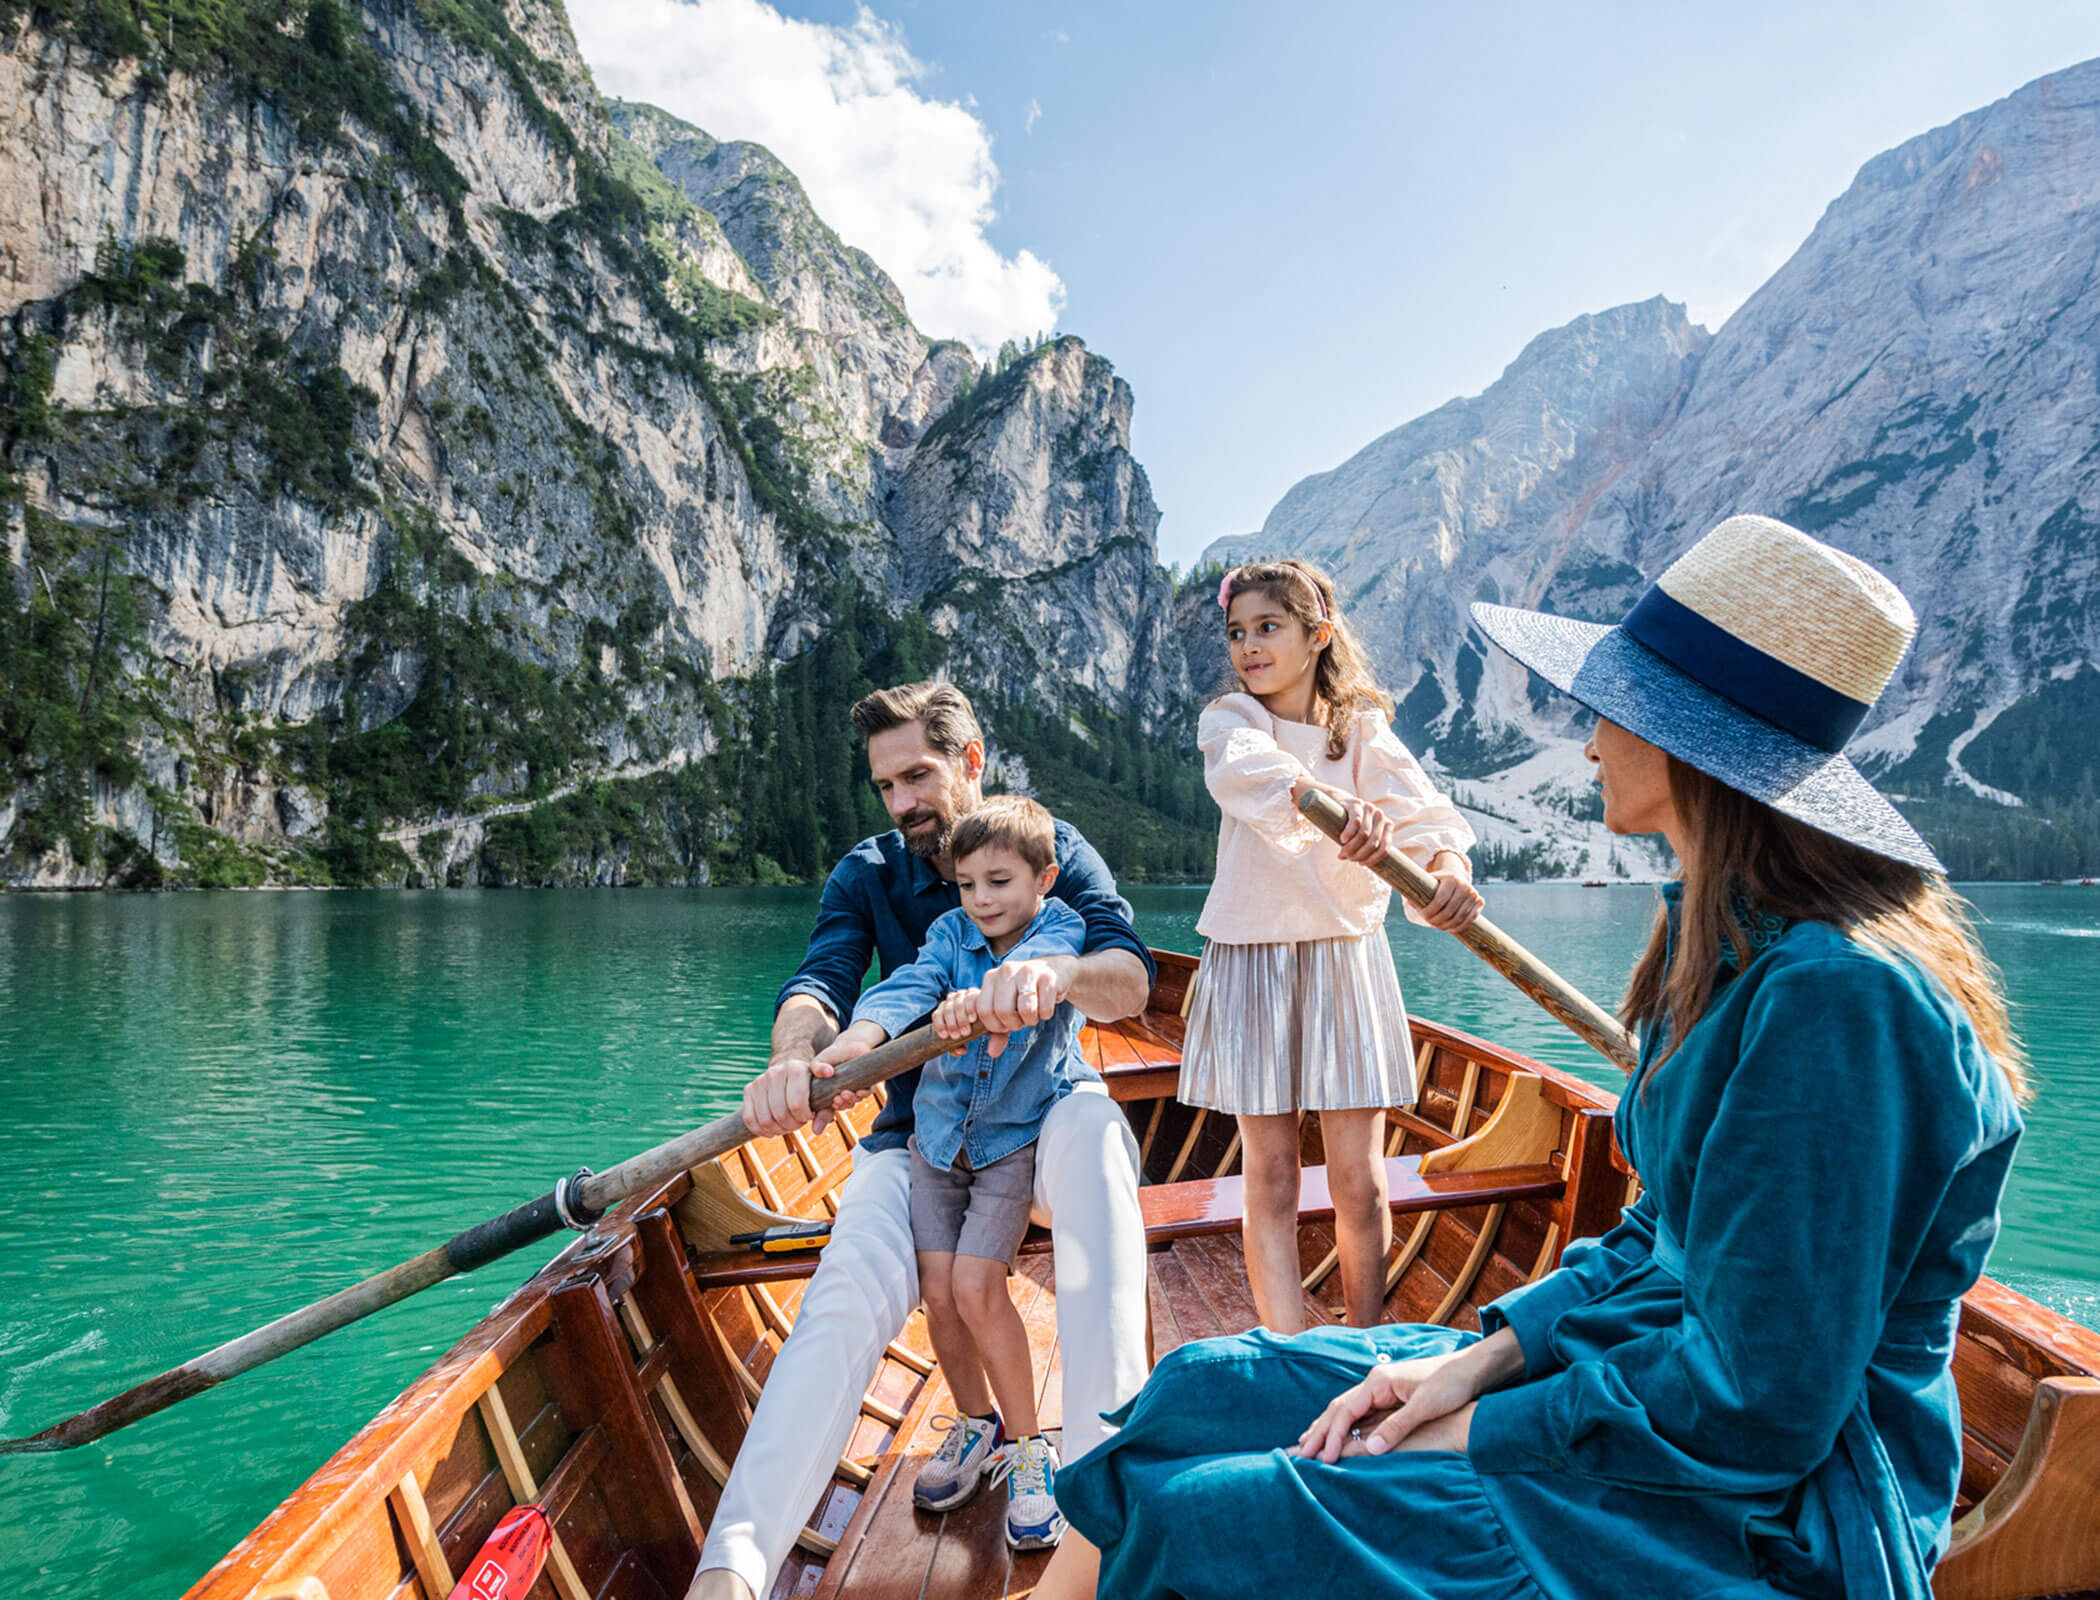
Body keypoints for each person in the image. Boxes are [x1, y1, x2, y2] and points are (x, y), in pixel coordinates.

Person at [1039, 514, 2028, 1600]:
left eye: (1616, 707)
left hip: (1757, 1512)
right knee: (1195, 1393)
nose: (1590, 734)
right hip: (1640, 1392)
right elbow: (1663, 1234)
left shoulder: (1842, 1004)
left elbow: (1759, 1408)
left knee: (1205, 1518)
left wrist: (1481, 1426)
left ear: (1692, 743)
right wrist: (1482, 1357)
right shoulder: (1722, 935)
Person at [691, 682, 1154, 1600]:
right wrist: (796, 1059)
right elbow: (824, 985)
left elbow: (1128, 982)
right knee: (846, 1286)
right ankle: (733, 1570)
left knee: (1103, 1157)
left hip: (1041, 1111)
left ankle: (1108, 1509)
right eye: (885, 786)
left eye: (918, 776)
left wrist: (1055, 975)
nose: (902, 804)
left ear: (971, 761)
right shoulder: (867, 874)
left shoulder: (1050, 851)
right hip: (919, 1138)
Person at [1185, 558, 1482, 1330]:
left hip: (1346, 955)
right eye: (1238, 632)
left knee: (1360, 1180)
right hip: (1253, 955)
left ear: (1318, 636)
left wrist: (1447, 868)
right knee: (1273, 1174)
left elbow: (1427, 817)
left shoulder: (1364, 733)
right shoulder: (1230, 721)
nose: (1249, 646)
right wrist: (1334, 804)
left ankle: (1368, 1335)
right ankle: (1286, 1340)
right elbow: (1254, 776)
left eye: (1269, 628)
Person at [829, 796, 1088, 1549]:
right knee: (939, 1295)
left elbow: (1035, 983)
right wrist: (865, 1036)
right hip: (936, 1143)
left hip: (1010, 1143)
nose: (982, 900)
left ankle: (1032, 1450)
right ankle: (977, 1424)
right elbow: (908, 986)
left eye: (1000, 882)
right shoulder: (948, 933)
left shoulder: (1058, 930)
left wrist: (986, 999)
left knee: (977, 1286)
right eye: (969, 884)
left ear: (1043, 879)